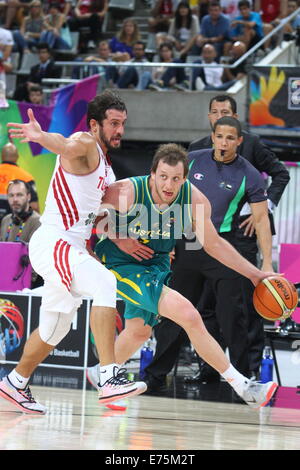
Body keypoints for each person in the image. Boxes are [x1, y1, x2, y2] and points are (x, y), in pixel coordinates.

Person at [86, 140, 278, 410]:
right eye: (163, 177)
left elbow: (214, 245)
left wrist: (256, 275)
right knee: (189, 315)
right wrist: (117, 236)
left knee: (139, 332)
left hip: (156, 265)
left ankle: (101, 373)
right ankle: (244, 387)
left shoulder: (195, 200)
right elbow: (85, 208)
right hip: (120, 264)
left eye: (176, 179)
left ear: (185, 178)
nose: (168, 185)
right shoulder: (127, 191)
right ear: (152, 173)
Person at [0, 90, 146, 414]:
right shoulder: (84, 143)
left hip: (70, 246)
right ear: (95, 124)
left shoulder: (107, 170)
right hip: (53, 241)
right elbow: (66, 145)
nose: (119, 129)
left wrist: (118, 235)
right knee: (105, 283)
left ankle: (15, 382)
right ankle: (109, 376)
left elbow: (94, 218)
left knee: (57, 326)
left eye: (123, 123)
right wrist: (40, 136)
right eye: (113, 123)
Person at [153, 94, 288, 384]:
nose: (224, 143)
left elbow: (262, 219)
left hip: (223, 246)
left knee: (232, 316)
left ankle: (243, 378)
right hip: (188, 242)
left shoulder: (250, 174)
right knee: (176, 311)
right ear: (212, 137)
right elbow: (166, 197)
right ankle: (155, 375)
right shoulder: (192, 161)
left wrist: (265, 262)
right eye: (219, 137)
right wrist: (164, 243)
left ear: (239, 141)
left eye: (230, 138)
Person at [0, 142, 39, 220]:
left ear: (2, 156)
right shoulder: (26, 177)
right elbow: (34, 207)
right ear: (17, 157)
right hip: (13, 225)